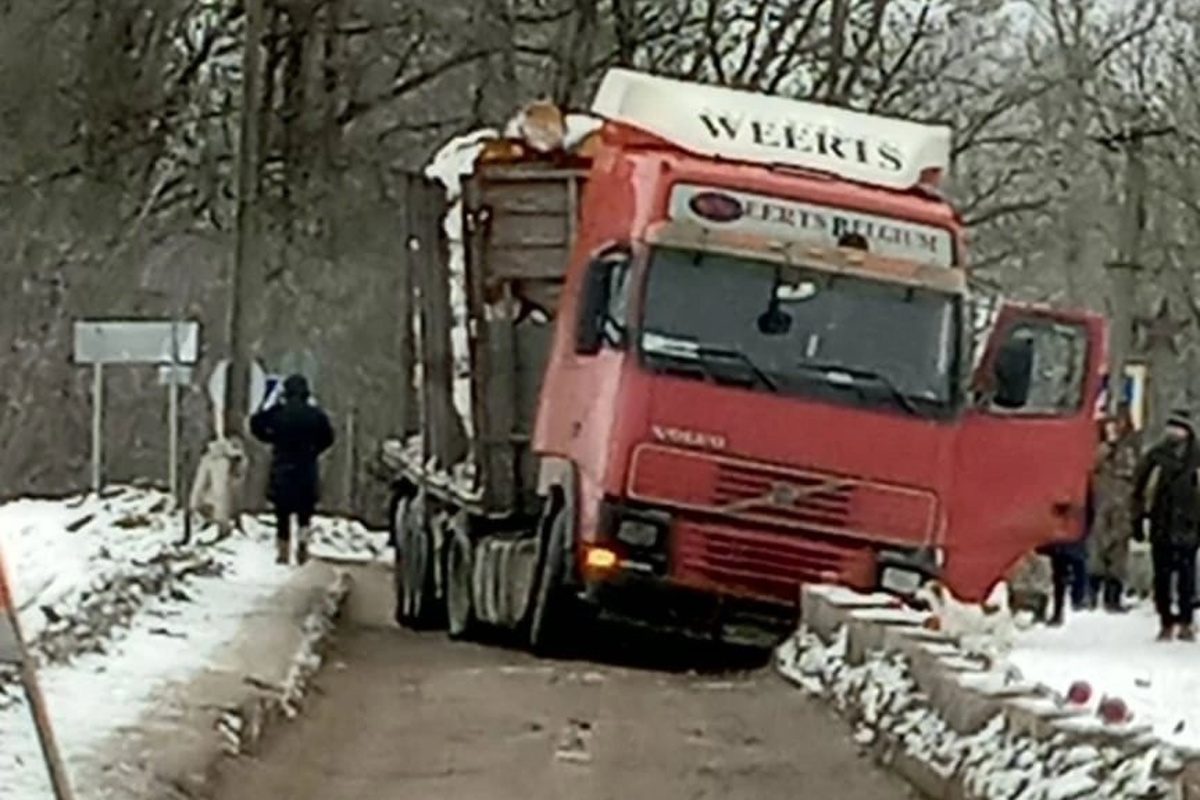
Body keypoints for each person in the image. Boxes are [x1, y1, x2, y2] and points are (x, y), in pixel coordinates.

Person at [250, 374, 335, 565]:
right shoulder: (315, 414)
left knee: (282, 513)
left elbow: (255, 425)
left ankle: (283, 551)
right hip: (306, 468)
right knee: (305, 512)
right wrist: (314, 450)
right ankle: (303, 545)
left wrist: (270, 437)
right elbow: (328, 437)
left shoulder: (278, 413)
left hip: (283, 468)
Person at [1133, 409, 1200, 641]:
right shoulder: (1156, 457)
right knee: (1161, 577)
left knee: (1187, 577)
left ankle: (1186, 620)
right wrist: (1138, 520)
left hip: (1189, 526)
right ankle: (1166, 620)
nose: (1173, 432)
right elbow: (1139, 490)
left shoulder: (1197, 458)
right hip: (1161, 523)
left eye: (1178, 427)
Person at [1088, 409, 1140, 612]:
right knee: (1097, 550)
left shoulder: (1132, 449)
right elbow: (1092, 465)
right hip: (1101, 504)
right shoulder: (1099, 448)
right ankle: (1091, 594)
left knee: (1119, 554)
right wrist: (1108, 446)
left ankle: (1113, 597)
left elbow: (1138, 476)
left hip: (1124, 506)